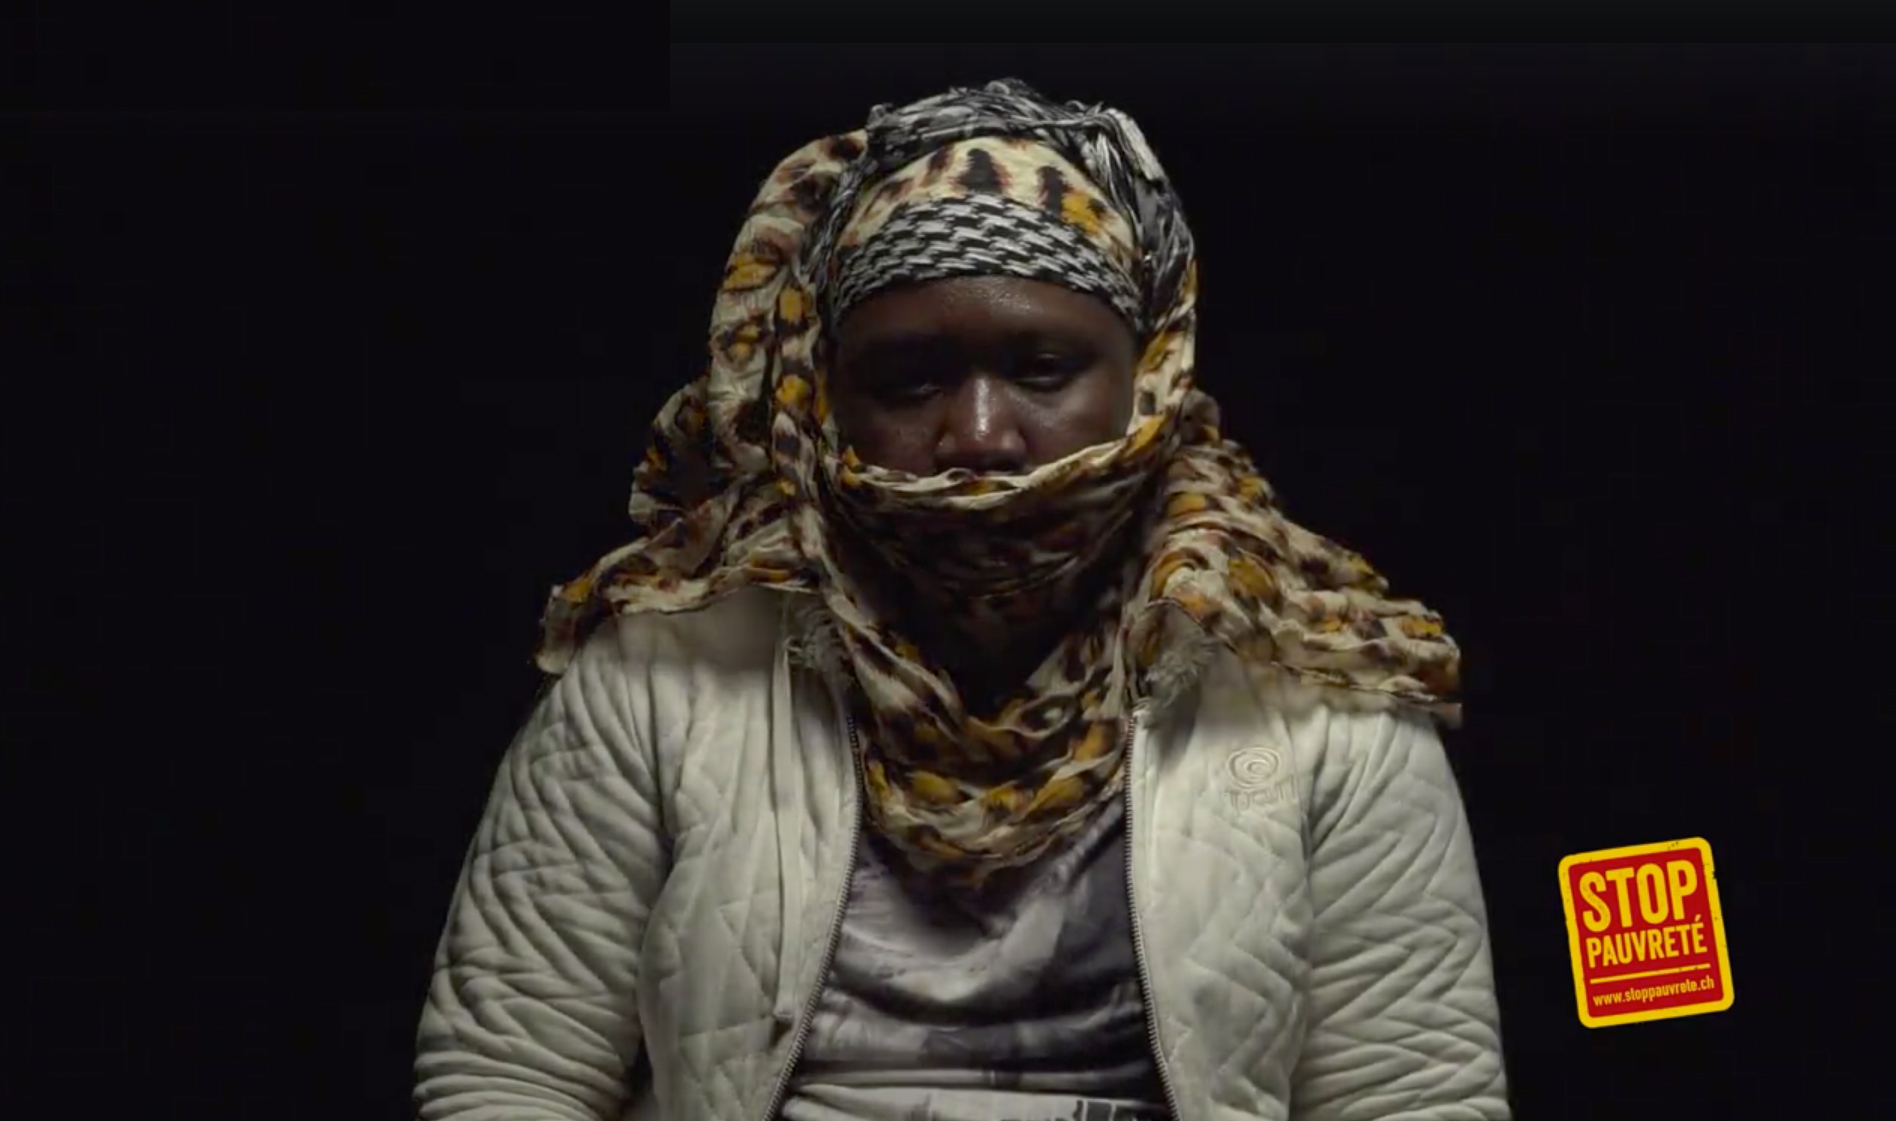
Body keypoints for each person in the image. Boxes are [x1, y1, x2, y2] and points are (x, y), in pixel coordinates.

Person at [414, 79, 1509, 1121]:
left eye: (1042, 368)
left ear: (1150, 379)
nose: (979, 436)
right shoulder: (659, 679)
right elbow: (509, 1070)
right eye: (910, 380)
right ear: (822, 397)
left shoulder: (1322, 698)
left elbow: (1412, 1092)